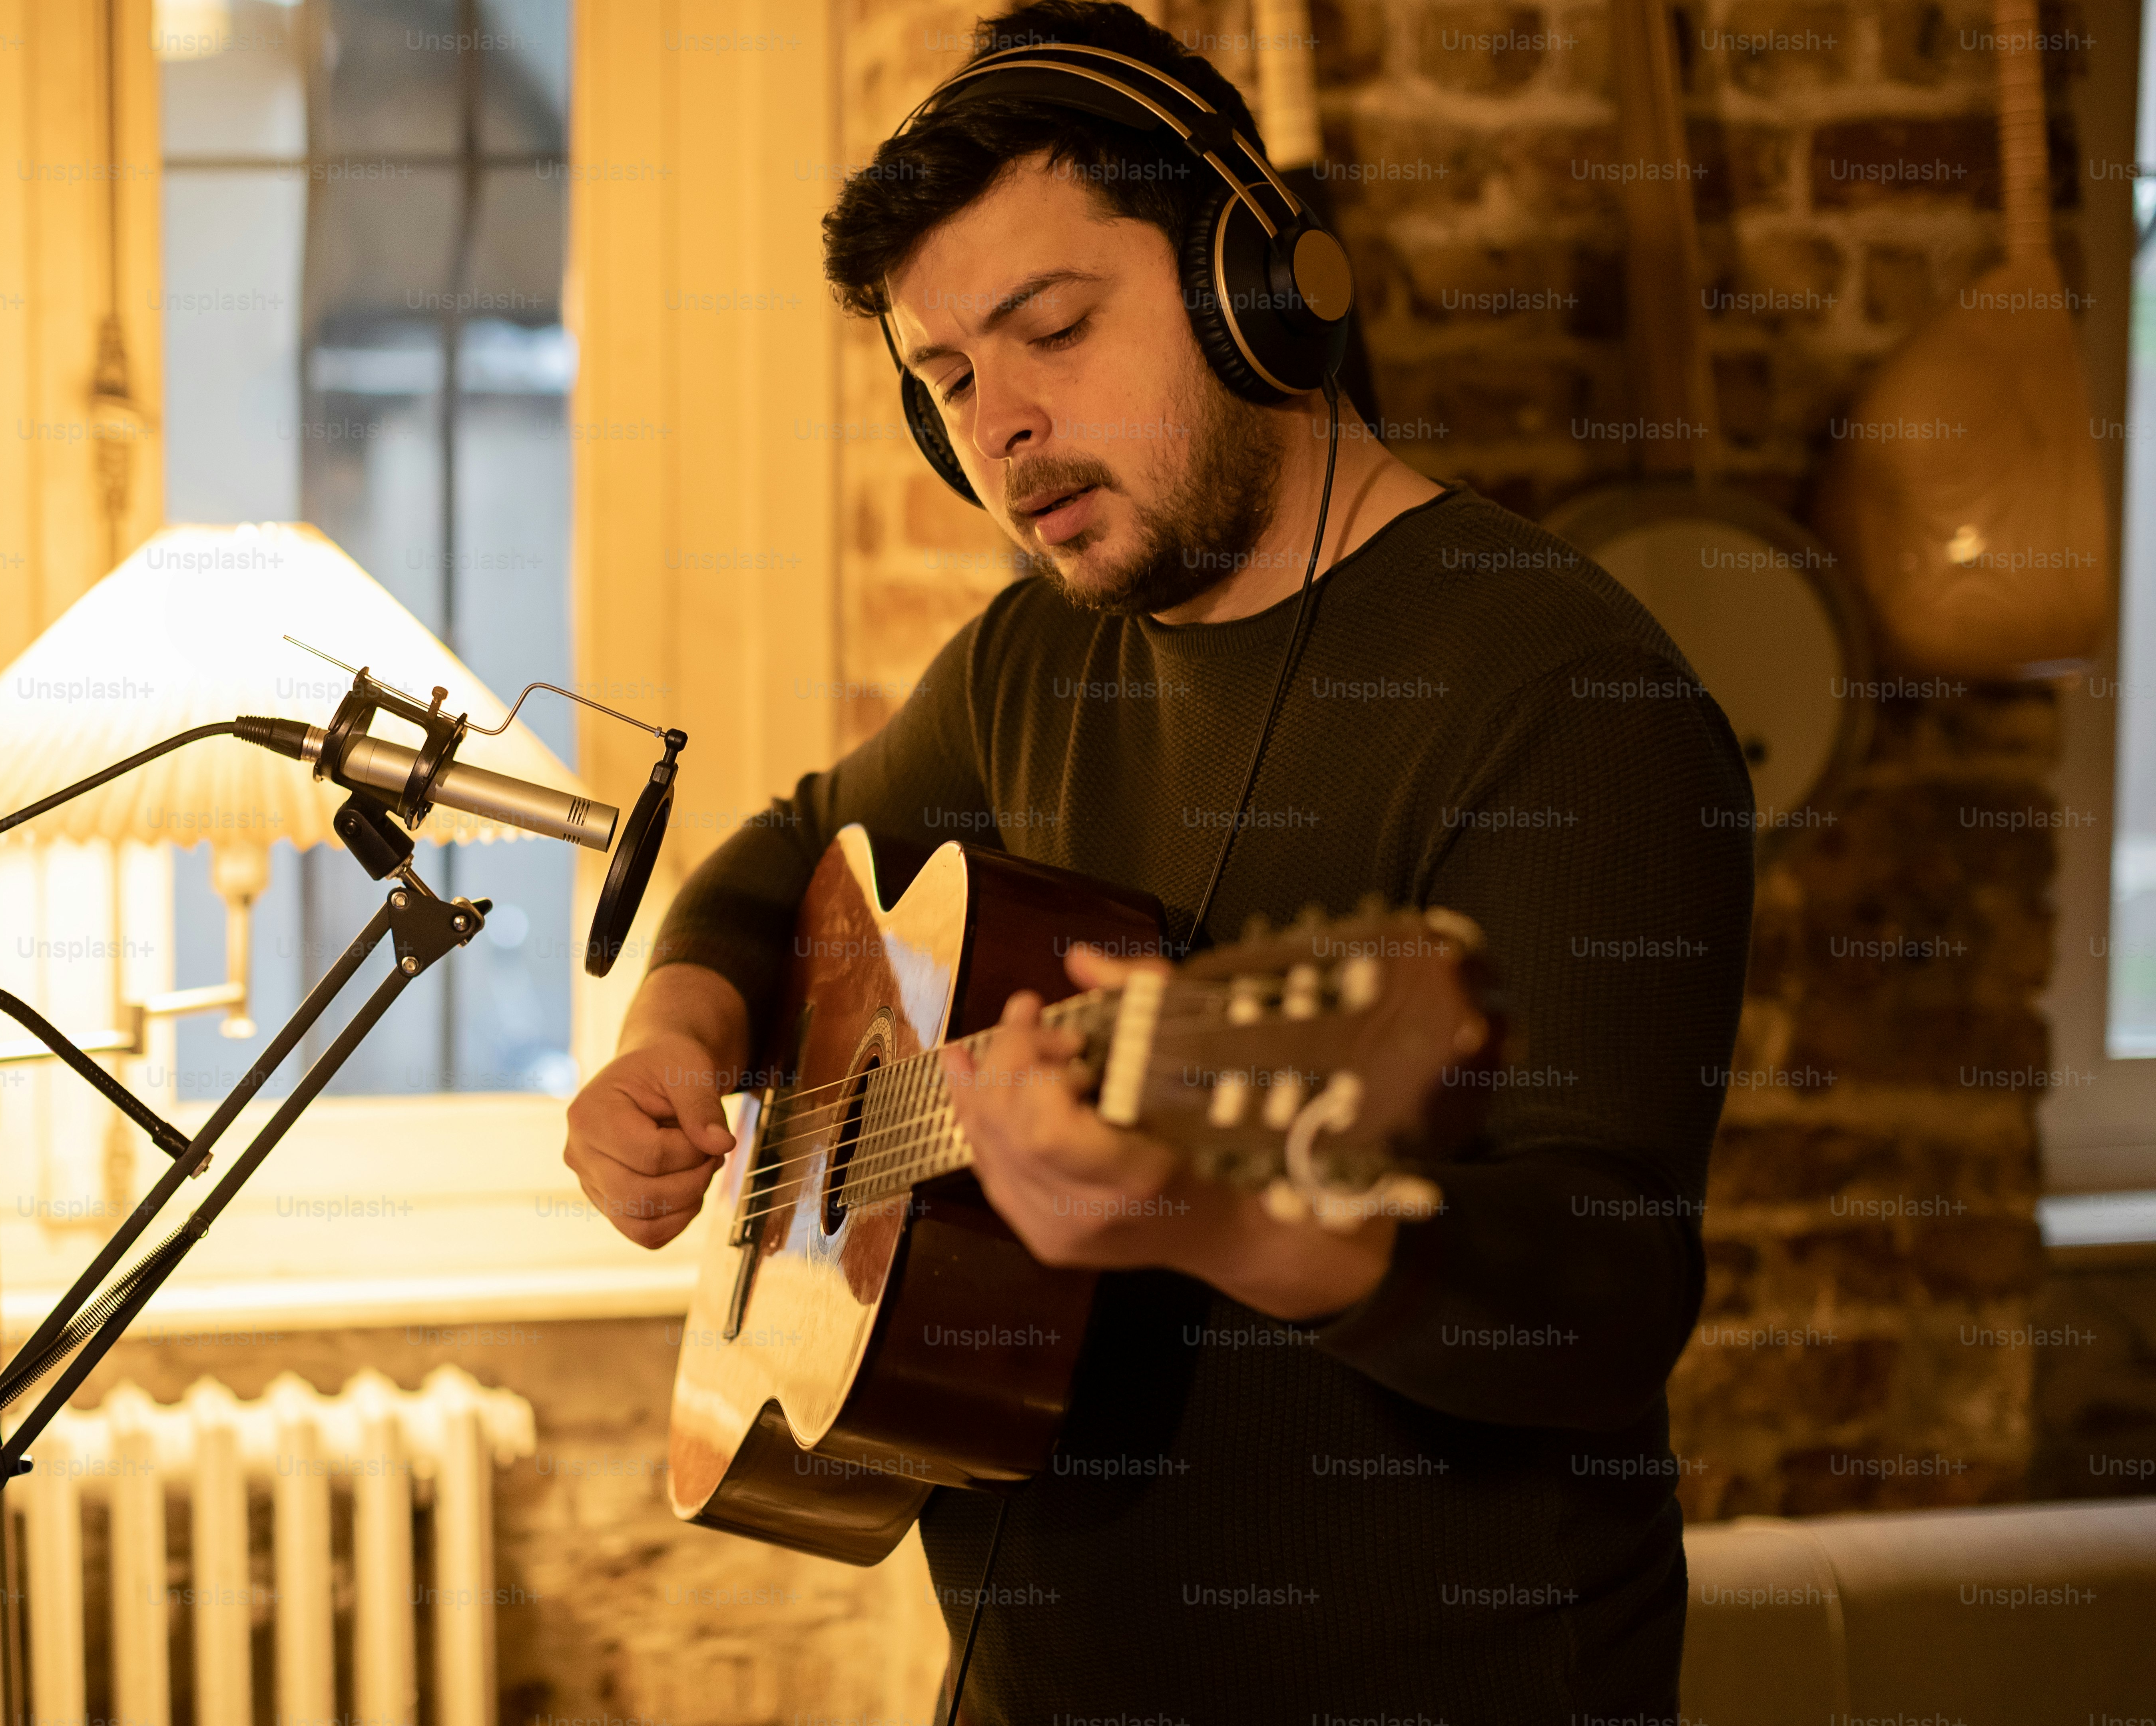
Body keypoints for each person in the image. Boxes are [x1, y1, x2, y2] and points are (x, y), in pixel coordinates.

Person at [562, 3, 1753, 1719]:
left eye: (1052, 330)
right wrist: (669, 1040)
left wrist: (1210, 1214)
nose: (1002, 427)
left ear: (1249, 293)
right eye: (949, 382)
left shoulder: (1568, 699)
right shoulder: (1029, 664)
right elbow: (780, 858)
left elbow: (1597, 1303)